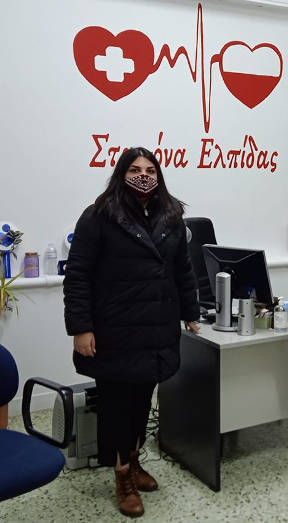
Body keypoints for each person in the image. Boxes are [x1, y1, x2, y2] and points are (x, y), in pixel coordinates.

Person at [64, 147, 200, 517]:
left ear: (159, 175)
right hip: (114, 330)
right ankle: (121, 474)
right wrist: (81, 328)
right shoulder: (99, 215)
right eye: (135, 169)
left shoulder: (171, 216)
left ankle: (135, 459)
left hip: (156, 328)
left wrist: (191, 312)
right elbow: (78, 276)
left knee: (141, 403)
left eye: (150, 170)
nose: (143, 175)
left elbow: (183, 269)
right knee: (116, 407)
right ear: (121, 174)